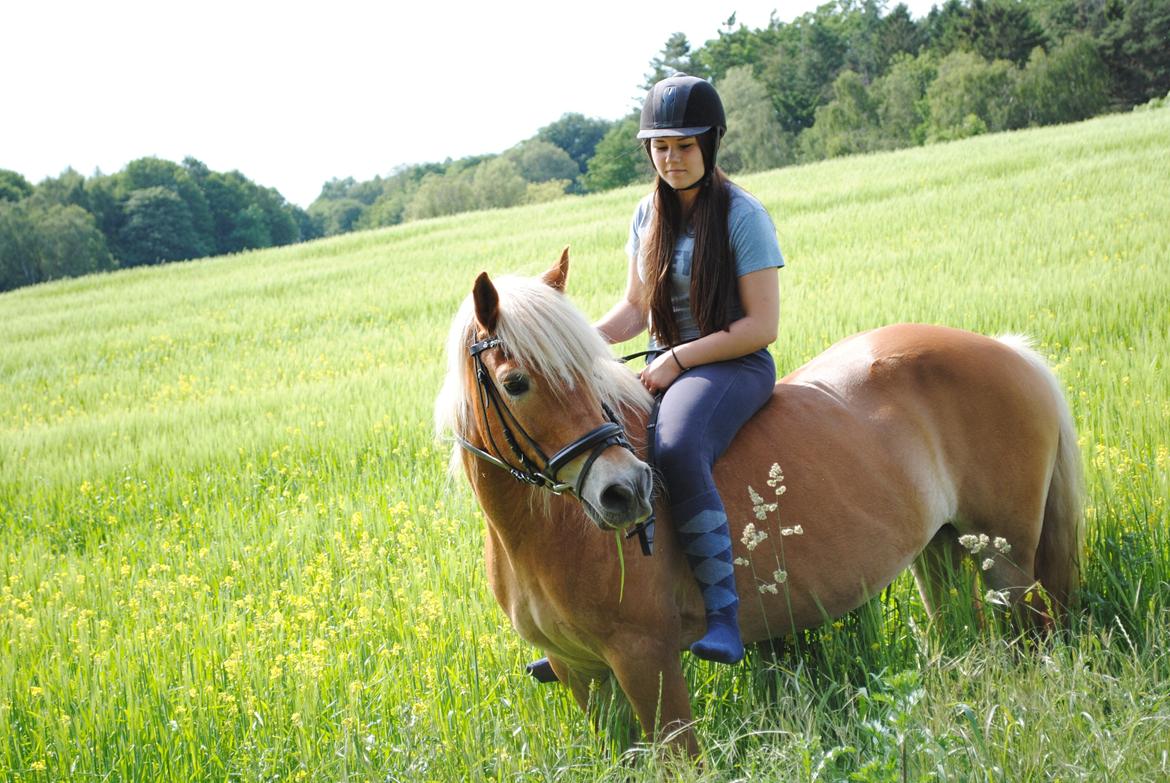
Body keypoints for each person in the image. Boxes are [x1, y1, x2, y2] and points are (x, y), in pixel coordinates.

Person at [594, 73, 783, 665]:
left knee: (674, 448)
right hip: (664, 360)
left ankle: (723, 615)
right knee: (592, 445)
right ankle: (596, 617)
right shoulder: (645, 215)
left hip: (732, 362)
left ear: (710, 143)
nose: (671, 158)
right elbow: (634, 307)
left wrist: (677, 358)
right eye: (660, 146)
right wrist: (578, 343)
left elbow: (761, 326)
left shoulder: (742, 215)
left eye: (684, 145)